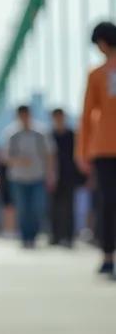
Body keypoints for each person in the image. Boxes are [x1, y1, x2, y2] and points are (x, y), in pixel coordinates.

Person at [76, 21, 116, 275]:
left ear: (101, 43)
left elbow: (88, 113)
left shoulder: (97, 73)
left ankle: (107, 256)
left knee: (107, 203)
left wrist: (82, 152)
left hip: (104, 148)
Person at [4, 105, 56, 249]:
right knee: (22, 208)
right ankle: (25, 237)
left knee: (36, 207)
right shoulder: (12, 134)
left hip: (37, 176)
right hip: (18, 178)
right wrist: (21, 161)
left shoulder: (41, 132)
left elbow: (50, 154)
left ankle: (34, 234)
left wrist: (51, 174)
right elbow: (6, 157)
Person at [49, 108, 77, 248]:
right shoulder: (50, 135)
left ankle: (69, 236)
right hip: (54, 176)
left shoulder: (72, 135)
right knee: (54, 207)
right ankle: (55, 236)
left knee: (69, 207)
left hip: (70, 175)